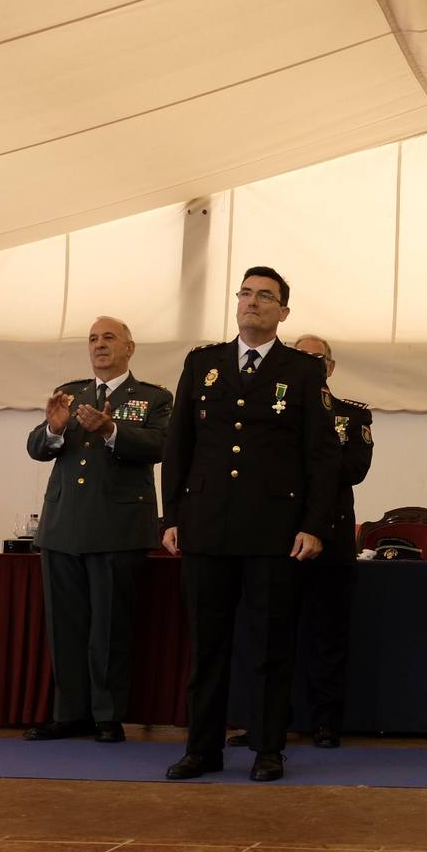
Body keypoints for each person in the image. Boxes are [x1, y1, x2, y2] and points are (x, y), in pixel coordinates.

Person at [160, 266, 340, 782]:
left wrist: (314, 525)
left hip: (273, 532)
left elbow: (322, 457)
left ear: (284, 311)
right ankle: (202, 749)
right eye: (246, 293)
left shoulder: (303, 370)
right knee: (208, 644)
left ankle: (267, 748)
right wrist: (172, 516)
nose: (252, 302)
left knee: (268, 645)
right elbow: (179, 448)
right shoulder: (203, 363)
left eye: (265, 296)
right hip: (207, 527)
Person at [23, 317, 172, 744]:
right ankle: (70, 713)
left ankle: (107, 715)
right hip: (63, 525)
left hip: (117, 526)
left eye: (108, 338)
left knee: (109, 627)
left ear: (130, 347)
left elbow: (161, 445)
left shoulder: (153, 397)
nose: (99, 345)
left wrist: (111, 429)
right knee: (65, 625)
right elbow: (37, 448)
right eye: (92, 339)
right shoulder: (71, 393)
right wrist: (52, 427)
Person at [226, 333, 374, 751]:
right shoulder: (270, 410)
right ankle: (265, 724)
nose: (310, 363)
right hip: (277, 537)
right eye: (302, 357)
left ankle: (326, 723)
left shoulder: (351, 415)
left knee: (328, 637)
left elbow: (352, 468)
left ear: (330, 366)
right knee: (269, 635)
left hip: (330, 538)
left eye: (318, 358)